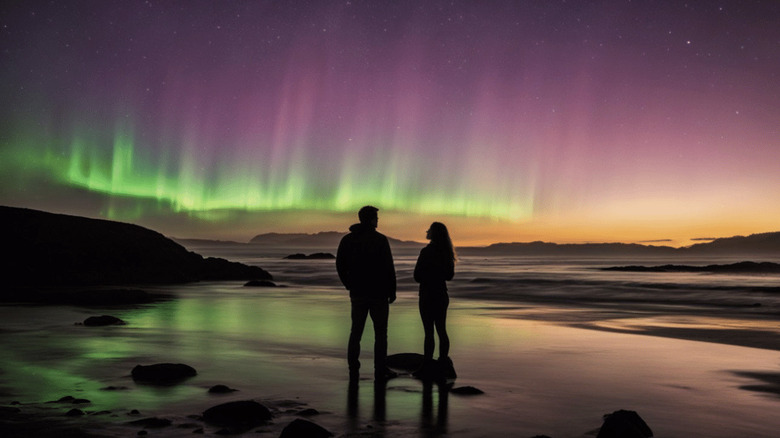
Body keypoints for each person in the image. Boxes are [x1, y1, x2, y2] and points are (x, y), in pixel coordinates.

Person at [337, 205, 398, 381]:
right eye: (376, 218)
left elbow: (340, 265)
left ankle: (353, 367)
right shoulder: (380, 240)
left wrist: (348, 284)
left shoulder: (348, 240)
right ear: (371, 219)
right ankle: (380, 368)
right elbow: (389, 267)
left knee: (356, 331)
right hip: (378, 293)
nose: (378, 221)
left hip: (358, 292)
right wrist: (392, 290)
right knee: (380, 333)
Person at [413, 222, 456, 380]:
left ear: (434, 233)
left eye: (429, 230)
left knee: (429, 332)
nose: (427, 231)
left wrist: (427, 274)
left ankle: (427, 364)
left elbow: (417, 276)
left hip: (426, 294)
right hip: (441, 294)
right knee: (442, 330)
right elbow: (449, 276)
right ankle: (443, 361)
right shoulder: (446, 252)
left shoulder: (426, 251)